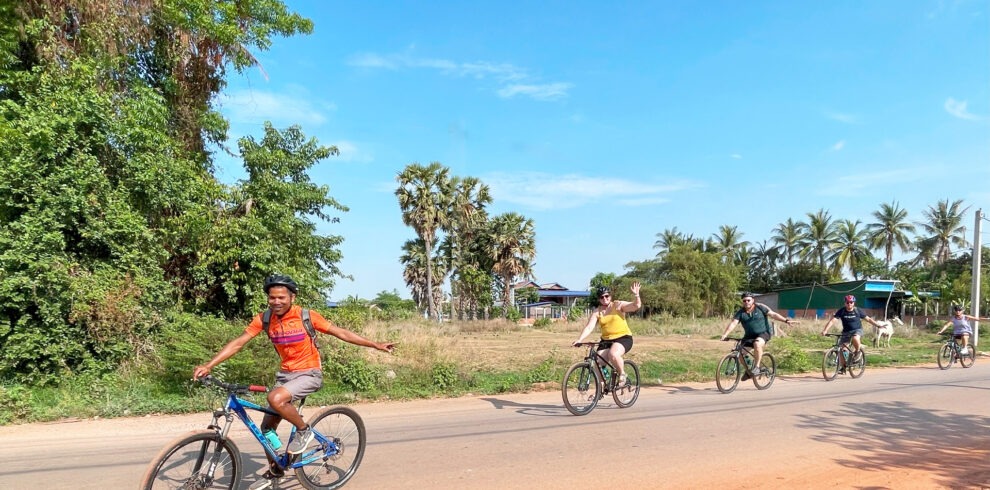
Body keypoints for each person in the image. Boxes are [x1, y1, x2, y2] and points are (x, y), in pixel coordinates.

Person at [193, 274, 395, 490]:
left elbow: (341, 332)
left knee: (275, 397)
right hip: (285, 376)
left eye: (281, 297)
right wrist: (210, 364)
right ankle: (276, 469)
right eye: (272, 298)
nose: (277, 302)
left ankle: (304, 430)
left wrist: (375, 344)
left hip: (309, 373)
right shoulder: (265, 319)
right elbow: (238, 343)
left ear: (292, 297)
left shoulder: (306, 316)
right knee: (266, 429)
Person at [572, 282, 642, 386]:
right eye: (601, 297)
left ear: (610, 296)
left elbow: (636, 306)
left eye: (606, 296)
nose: (604, 298)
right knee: (597, 362)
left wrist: (636, 295)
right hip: (606, 340)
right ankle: (601, 387)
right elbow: (589, 327)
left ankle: (622, 375)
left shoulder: (617, 305)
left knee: (613, 354)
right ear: (599, 299)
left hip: (623, 338)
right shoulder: (597, 312)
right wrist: (580, 339)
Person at [720, 292, 791, 378]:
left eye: (748, 300)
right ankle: (748, 371)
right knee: (739, 353)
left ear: (753, 300)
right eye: (744, 300)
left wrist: (786, 320)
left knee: (757, 344)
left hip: (763, 333)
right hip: (749, 336)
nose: (746, 302)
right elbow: (733, 323)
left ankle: (757, 367)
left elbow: (773, 314)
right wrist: (725, 334)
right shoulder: (741, 312)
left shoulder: (760, 307)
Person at [820, 294, 883, 372]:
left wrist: (878, 325)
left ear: (854, 303)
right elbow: (832, 321)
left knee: (855, 338)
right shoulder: (842, 311)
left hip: (857, 330)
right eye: (847, 302)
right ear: (845, 303)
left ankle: (858, 351)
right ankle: (843, 367)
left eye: (851, 302)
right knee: (841, 349)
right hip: (846, 332)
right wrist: (825, 330)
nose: (849, 304)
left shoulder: (857, 310)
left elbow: (868, 319)